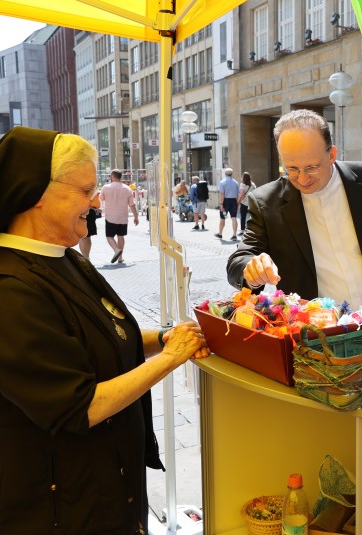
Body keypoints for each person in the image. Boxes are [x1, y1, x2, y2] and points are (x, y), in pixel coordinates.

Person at [0, 126, 208, 533]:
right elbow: (80, 407)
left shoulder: (64, 257)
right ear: (37, 194)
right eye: (84, 191)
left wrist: (167, 335)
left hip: (105, 486)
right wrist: (171, 357)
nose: (96, 202)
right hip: (62, 507)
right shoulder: (11, 289)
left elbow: (112, 333)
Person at [226, 109, 362, 314]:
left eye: (312, 167)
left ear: (332, 154)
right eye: (292, 169)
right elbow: (239, 259)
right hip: (317, 331)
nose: (303, 180)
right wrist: (252, 268)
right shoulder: (265, 201)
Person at [99, 168, 139, 264]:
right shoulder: (127, 188)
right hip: (123, 217)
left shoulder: (106, 187)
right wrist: (136, 216)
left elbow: (101, 198)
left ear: (112, 176)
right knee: (121, 236)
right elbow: (132, 204)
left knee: (109, 236)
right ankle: (120, 258)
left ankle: (116, 250)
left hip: (110, 217)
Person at [215, 167, 240, 241]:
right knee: (234, 218)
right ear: (232, 174)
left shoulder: (222, 182)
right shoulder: (235, 182)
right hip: (234, 201)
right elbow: (237, 194)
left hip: (225, 201)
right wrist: (237, 203)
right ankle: (234, 235)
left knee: (222, 218)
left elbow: (222, 194)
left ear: (225, 174)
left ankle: (220, 234)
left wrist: (221, 204)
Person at [237, 171, 257, 236]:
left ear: (243, 178)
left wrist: (238, 202)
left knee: (243, 217)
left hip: (244, 203)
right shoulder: (253, 185)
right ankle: (251, 229)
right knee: (251, 216)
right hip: (251, 203)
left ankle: (242, 230)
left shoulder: (243, 185)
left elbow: (241, 195)